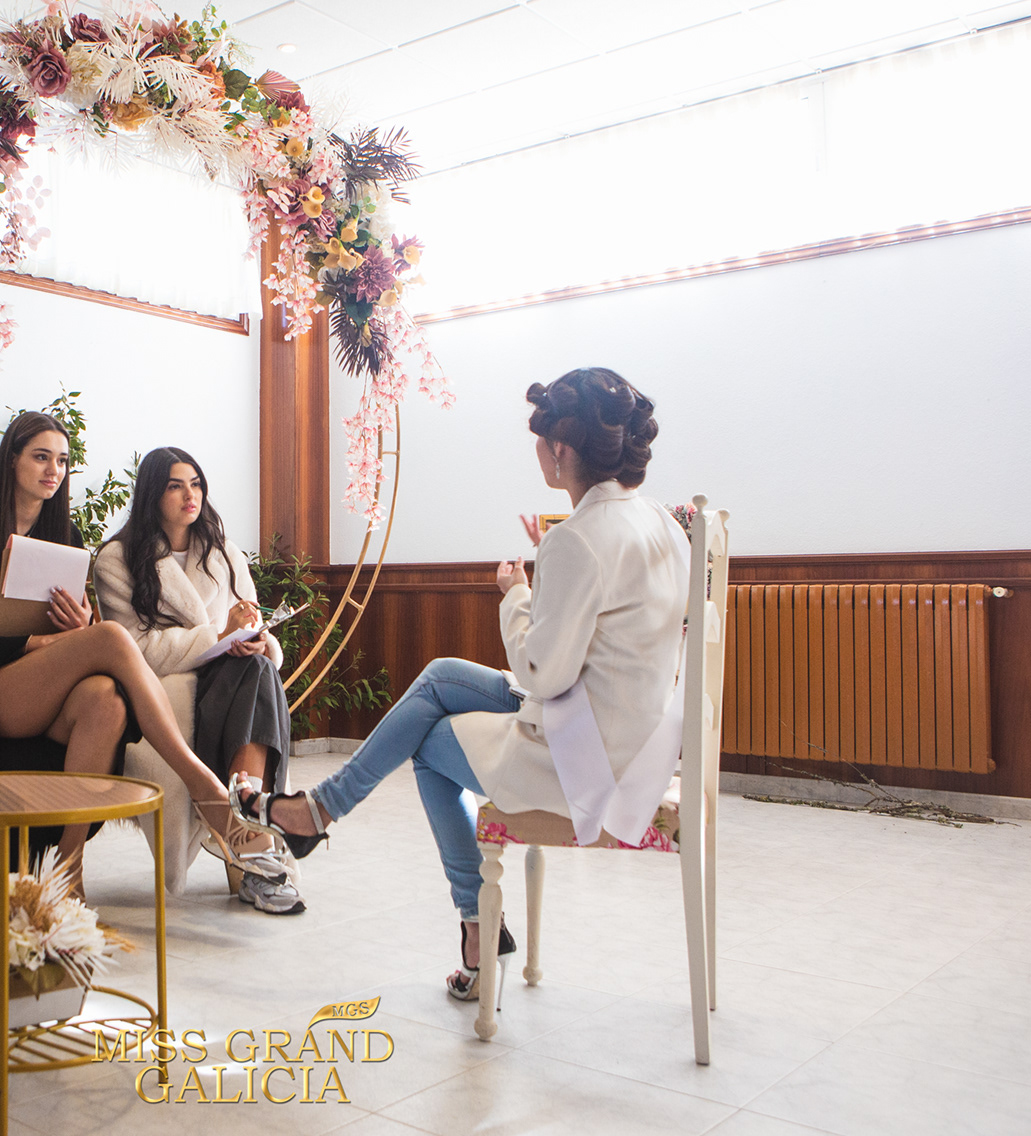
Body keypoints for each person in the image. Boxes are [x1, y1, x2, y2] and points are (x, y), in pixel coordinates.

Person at [231, 368, 690, 999]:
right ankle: (318, 811)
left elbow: (543, 673)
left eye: (539, 439)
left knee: (427, 747)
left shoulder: (579, 539)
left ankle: (474, 921)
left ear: (560, 448)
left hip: (586, 757)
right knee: (441, 676)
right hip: (638, 736)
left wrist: (517, 594)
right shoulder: (662, 522)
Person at [0, 410, 271, 891]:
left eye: (62, 460)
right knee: (112, 637)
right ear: (12, 461)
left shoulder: (66, 538)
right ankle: (205, 786)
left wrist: (81, 628)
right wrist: (42, 641)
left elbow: (75, 638)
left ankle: (68, 865)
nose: (54, 470)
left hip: (50, 684)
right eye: (41, 457)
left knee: (106, 700)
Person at [95, 448, 302, 915]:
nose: (191, 495)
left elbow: (252, 620)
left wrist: (256, 639)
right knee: (256, 680)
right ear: (152, 494)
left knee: (260, 668)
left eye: (196, 483)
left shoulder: (224, 553)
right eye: (175, 486)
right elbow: (135, 649)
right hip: (166, 688)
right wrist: (218, 636)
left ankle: (246, 832)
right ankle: (253, 841)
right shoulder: (117, 559)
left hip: (237, 675)